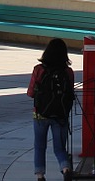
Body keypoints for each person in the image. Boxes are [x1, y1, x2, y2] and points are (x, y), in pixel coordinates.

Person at [27, 37, 74, 180]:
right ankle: (66, 169)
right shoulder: (68, 72)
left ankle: (40, 175)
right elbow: (69, 93)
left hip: (40, 114)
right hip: (60, 116)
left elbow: (30, 93)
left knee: (40, 146)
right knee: (60, 148)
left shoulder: (38, 70)